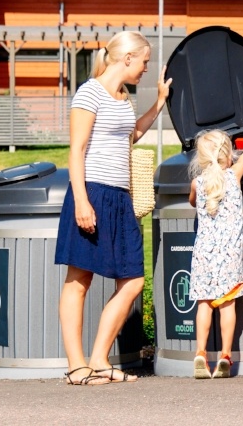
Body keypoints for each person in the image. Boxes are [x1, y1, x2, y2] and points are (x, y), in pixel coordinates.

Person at [54, 31, 171, 385]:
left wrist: (159, 103)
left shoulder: (123, 98)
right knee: (79, 280)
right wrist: (82, 202)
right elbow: (77, 150)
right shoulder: (89, 93)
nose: (146, 69)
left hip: (120, 198)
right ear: (127, 58)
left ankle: (99, 360)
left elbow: (130, 135)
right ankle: (77, 367)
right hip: (91, 192)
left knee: (133, 280)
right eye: (145, 62)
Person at [188, 129, 243, 379]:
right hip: (230, 253)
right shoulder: (234, 175)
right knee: (227, 305)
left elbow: (192, 202)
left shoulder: (197, 183)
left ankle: (201, 353)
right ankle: (224, 354)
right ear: (228, 155)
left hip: (204, 253)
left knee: (203, 304)